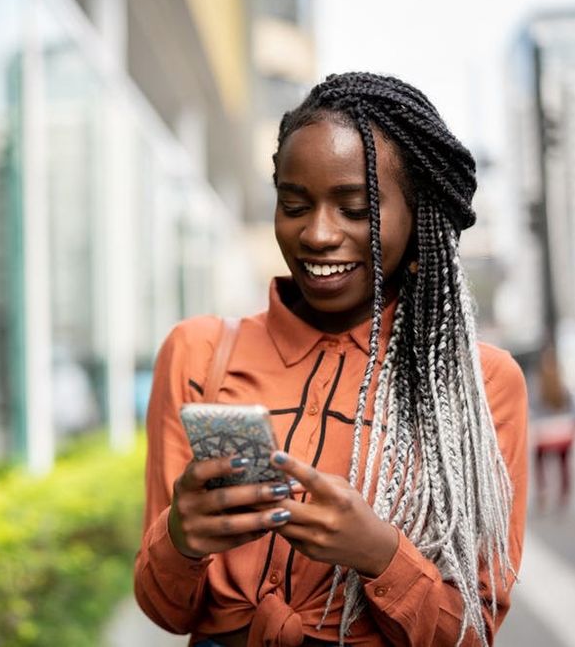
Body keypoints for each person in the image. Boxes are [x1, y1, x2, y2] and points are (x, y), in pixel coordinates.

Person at [135, 73, 528, 646]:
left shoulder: (478, 384)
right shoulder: (196, 353)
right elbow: (164, 610)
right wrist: (181, 539)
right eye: (294, 204)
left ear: (419, 218)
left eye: (354, 209)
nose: (317, 234)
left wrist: (381, 555)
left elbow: (472, 633)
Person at [529, 344, 575, 512]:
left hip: (546, 429)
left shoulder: (540, 382)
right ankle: (562, 493)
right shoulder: (561, 380)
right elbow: (571, 404)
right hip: (560, 428)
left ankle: (544, 491)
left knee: (541, 461)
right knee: (562, 462)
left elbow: (533, 406)